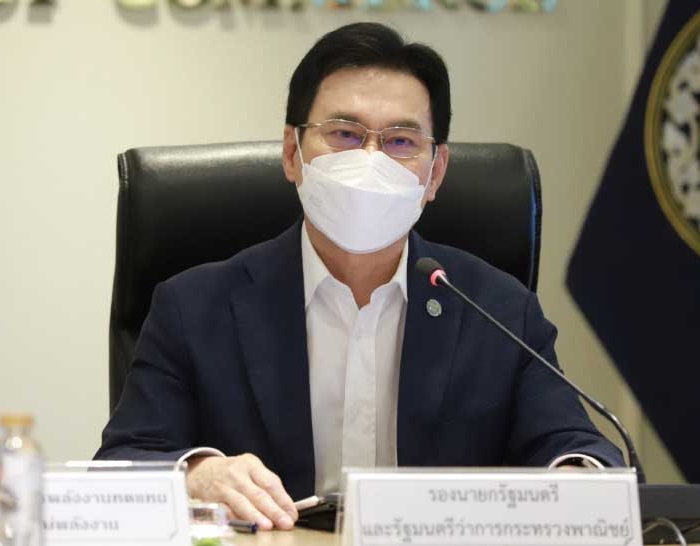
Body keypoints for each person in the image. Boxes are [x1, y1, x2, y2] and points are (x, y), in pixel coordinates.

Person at [95, 22, 624, 532]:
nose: (371, 161)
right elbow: (122, 463)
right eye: (345, 134)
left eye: (400, 142)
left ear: (435, 173)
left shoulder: (498, 310)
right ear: (292, 154)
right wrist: (198, 474)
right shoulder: (193, 308)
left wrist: (577, 483)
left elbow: (573, 446)